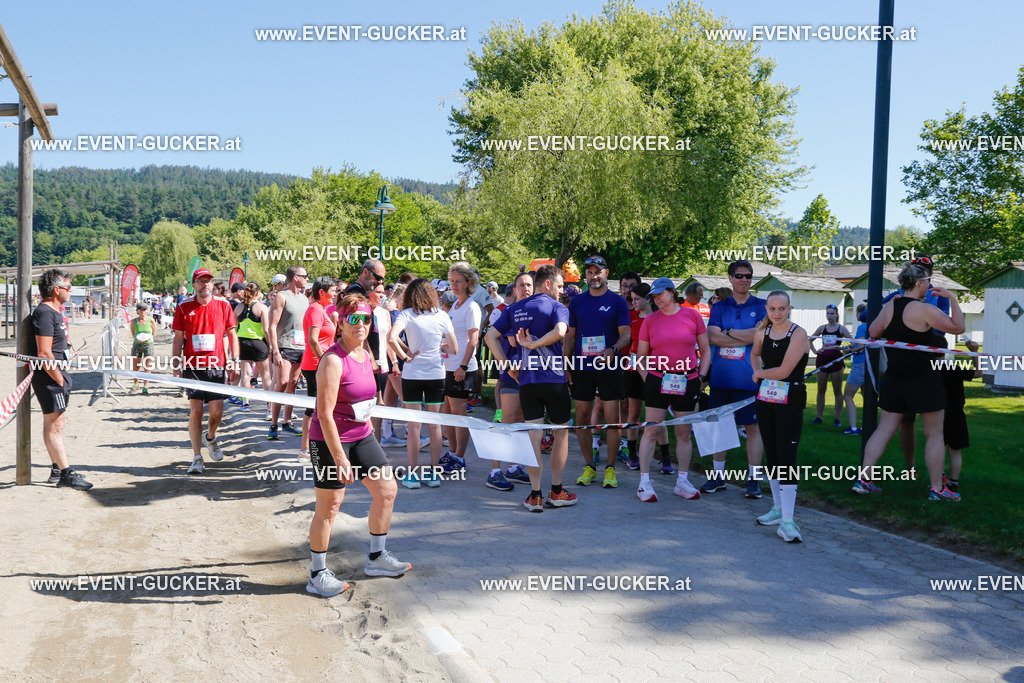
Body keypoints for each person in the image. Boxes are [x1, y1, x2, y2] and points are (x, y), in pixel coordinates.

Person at [306, 292, 411, 597]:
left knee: (387, 490)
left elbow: (366, 399)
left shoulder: (365, 354)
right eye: (354, 319)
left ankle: (377, 557)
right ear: (340, 323)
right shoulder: (332, 360)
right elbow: (324, 414)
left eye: (366, 319)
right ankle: (316, 574)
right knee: (329, 506)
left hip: (362, 435)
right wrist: (340, 457)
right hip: (329, 440)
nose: (361, 324)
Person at [855, 263, 964, 500]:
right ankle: (936, 488)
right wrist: (953, 299)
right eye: (927, 282)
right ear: (918, 283)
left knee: (884, 430)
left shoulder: (890, 306)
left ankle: (863, 480)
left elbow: (873, 333)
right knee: (934, 434)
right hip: (923, 378)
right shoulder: (924, 310)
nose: (929, 286)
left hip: (895, 377)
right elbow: (958, 327)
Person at [490, 264, 578, 512]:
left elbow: (489, 337)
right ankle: (557, 491)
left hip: (527, 382)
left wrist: (508, 367)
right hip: (554, 381)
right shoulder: (558, 307)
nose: (561, 292)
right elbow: (561, 331)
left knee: (533, 439)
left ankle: (535, 495)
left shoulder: (515, 307)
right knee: (561, 435)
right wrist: (535, 344)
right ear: (548, 284)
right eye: (560, 286)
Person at [635, 277, 709, 502]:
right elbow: (640, 357)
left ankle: (683, 481)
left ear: (672, 292)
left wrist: (701, 376)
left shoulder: (692, 315)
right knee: (651, 431)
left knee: (684, 433)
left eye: (660, 294)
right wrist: (649, 378)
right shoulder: (650, 320)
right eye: (653, 297)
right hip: (658, 380)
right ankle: (644, 482)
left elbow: (705, 350)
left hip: (688, 381)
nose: (656, 299)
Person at [702, 261, 768, 498]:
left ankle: (753, 481)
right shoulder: (720, 307)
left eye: (748, 276)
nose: (744, 280)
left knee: (753, 429)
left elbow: (759, 335)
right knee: (719, 428)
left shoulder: (762, 305)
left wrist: (726, 333)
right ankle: (718, 477)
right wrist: (745, 337)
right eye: (739, 276)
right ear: (730, 278)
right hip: (721, 378)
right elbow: (712, 337)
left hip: (749, 378)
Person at [750, 291, 811, 542]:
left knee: (787, 457)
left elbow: (785, 371)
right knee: (773, 454)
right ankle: (777, 509)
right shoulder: (761, 332)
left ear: (789, 309)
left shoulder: (798, 334)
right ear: (766, 308)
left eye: (782, 309)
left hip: (790, 400)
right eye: (772, 309)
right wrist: (757, 371)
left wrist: (760, 375)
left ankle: (788, 519)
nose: (777, 313)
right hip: (766, 400)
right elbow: (754, 354)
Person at [881, 255, 951, 472]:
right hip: (902, 363)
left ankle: (936, 480)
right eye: (917, 269)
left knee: (934, 423)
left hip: (927, 358)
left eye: (925, 270)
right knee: (905, 422)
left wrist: (920, 322)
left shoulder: (938, 295)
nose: (921, 274)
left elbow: (943, 328)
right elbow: (868, 316)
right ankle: (910, 467)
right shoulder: (896, 296)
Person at [566, 255, 631, 490]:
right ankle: (589, 465)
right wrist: (566, 364)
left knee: (613, 419)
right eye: (590, 272)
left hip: (609, 366)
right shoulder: (577, 302)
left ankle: (610, 468)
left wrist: (613, 349)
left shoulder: (618, 301)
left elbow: (627, 334)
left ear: (606, 273)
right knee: (582, 418)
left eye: (598, 271)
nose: (594, 276)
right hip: (582, 367)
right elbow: (571, 336)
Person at [388, 279, 458, 489]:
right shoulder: (442, 315)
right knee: (435, 425)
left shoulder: (406, 314)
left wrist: (405, 355)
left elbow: (391, 337)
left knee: (414, 426)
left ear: (410, 295)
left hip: (413, 375)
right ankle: (434, 473)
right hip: (436, 374)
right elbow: (454, 348)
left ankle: (411, 473)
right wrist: (440, 346)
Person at [171, 268, 240, 474]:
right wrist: (176, 366)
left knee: (217, 412)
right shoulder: (184, 307)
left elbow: (231, 334)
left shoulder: (223, 305)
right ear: (194, 285)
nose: (205, 285)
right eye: (201, 282)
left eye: (208, 281)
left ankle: (210, 437)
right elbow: (178, 339)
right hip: (193, 366)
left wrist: (234, 361)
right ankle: (197, 457)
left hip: (217, 365)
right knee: (196, 411)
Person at [30, 269, 92, 490]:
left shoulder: (55, 311)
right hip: (49, 376)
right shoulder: (44, 313)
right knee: (56, 425)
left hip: (56, 373)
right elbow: (44, 352)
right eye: (67, 287)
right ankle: (66, 473)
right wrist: (58, 379)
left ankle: (57, 469)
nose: (71, 290)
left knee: (53, 423)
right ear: (56, 290)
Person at [484, 271, 536, 488]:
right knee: (507, 421)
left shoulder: (536, 310)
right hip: (511, 373)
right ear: (514, 289)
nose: (526, 289)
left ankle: (514, 467)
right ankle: (494, 470)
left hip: (532, 373)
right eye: (521, 285)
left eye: (529, 285)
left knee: (522, 421)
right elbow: (515, 342)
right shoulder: (510, 312)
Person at [438, 262, 482, 475]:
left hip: (462, 368)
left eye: (458, 281)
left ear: (468, 283)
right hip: (449, 365)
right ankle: (453, 451)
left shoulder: (471, 306)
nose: (454, 285)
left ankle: (460, 457)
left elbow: (474, 340)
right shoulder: (455, 305)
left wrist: (463, 366)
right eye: (452, 281)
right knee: (447, 411)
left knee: (458, 414)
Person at [623, 283, 670, 470]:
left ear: (648, 299)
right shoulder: (631, 317)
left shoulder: (660, 317)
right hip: (634, 370)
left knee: (658, 417)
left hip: (656, 371)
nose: (633, 303)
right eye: (631, 299)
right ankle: (632, 453)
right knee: (633, 413)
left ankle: (666, 457)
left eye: (636, 299)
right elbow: (629, 342)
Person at [299, 276, 340, 460]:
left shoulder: (320, 309)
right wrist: (324, 360)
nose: (335, 294)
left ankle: (311, 448)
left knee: (319, 407)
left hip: (317, 364)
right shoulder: (315, 309)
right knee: (315, 407)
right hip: (316, 365)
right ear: (321, 292)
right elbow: (313, 339)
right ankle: (307, 449)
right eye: (333, 290)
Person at [267, 265, 309, 440]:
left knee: (292, 383)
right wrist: (275, 351)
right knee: (282, 382)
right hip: (284, 346)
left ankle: (287, 422)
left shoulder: (305, 298)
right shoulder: (281, 296)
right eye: (305, 276)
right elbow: (272, 326)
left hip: (301, 347)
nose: (307, 279)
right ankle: (273, 424)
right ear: (296, 278)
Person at [942, 338, 982, 494]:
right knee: (955, 450)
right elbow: (978, 373)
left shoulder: (926, 371)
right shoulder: (952, 368)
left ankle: (938, 479)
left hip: (933, 413)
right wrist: (974, 352)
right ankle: (953, 483)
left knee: (936, 446)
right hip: (955, 413)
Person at [810, 304, 852, 427]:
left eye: (832, 313)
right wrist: (815, 351)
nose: (830, 316)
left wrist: (842, 348)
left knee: (837, 389)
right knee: (821, 388)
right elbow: (810, 340)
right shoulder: (822, 328)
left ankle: (837, 418)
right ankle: (819, 417)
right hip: (822, 359)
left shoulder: (841, 328)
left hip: (836, 360)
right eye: (828, 313)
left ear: (837, 315)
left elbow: (853, 344)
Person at [233, 282, 272, 413]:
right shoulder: (262, 307)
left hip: (243, 341)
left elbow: (233, 326)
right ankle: (269, 405)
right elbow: (266, 329)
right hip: (258, 342)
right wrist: (270, 344)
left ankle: (245, 403)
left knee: (245, 374)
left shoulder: (239, 307)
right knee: (265, 374)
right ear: (257, 293)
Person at [841, 304, 869, 435]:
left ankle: (853, 427)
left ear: (860, 314)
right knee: (867, 397)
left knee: (847, 395)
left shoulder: (862, 327)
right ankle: (867, 426)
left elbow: (860, 347)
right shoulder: (874, 327)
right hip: (869, 366)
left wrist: (849, 349)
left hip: (860, 366)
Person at [129, 302, 156, 395]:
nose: (142, 312)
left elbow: (154, 333)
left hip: (148, 345)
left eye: (144, 310)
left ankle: (145, 386)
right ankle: (136, 384)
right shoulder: (134, 321)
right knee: (136, 367)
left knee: (147, 367)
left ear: (147, 311)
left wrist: (147, 339)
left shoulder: (151, 320)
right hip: (137, 344)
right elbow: (133, 333)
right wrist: (139, 339)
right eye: (140, 309)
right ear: (137, 311)